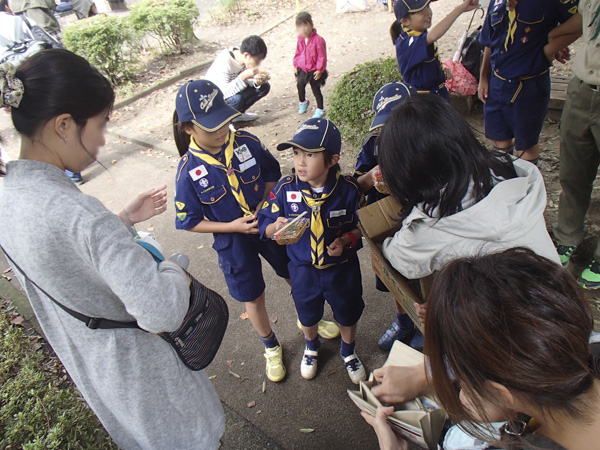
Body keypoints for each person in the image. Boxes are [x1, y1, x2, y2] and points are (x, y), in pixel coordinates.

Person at [0, 49, 224, 449]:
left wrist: (121, 221)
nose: (103, 141)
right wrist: (172, 267)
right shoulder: (82, 215)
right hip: (155, 387)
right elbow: (161, 311)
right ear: (64, 125)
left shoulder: (8, 199)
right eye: (101, 125)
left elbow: (62, 263)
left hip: (103, 381)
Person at [363, 248, 600, 450]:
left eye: (463, 382)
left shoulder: (468, 442)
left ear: (502, 394)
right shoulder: (583, 344)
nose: (460, 391)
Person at [377, 94, 560, 325]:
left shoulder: (428, 230)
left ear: (409, 172)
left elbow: (397, 258)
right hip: (561, 304)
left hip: (510, 338)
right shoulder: (513, 173)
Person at [258, 118, 367, 384]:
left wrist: (346, 240)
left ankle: (348, 351)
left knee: (348, 310)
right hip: (303, 270)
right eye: (296, 153)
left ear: (332, 160)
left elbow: (362, 227)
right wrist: (275, 227)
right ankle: (311, 346)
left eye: (310, 154)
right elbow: (264, 222)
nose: (300, 162)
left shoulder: (348, 191)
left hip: (342, 269)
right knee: (306, 312)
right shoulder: (285, 189)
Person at [353, 82, 421, 351]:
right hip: (386, 220)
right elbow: (358, 182)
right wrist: (371, 178)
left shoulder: (425, 140)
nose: (389, 132)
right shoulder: (373, 142)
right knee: (393, 275)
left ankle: (427, 329)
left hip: (418, 218)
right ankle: (404, 321)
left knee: (422, 276)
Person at [478, 0, 579, 164]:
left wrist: (551, 44)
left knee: (526, 145)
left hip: (528, 85)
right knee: (499, 140)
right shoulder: (497, 2)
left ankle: (527, 184)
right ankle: (506, 182)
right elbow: (490, 40)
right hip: (497, 83)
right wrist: (483, 76)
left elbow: (580, 21)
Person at [551, 6, 600, 288]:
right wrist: (556, 38)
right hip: (582, 88)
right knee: (573, 171)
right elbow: (586, 16)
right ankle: (568, 236)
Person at [393, 0, 480, 101]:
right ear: (405, 21)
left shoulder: (420, 32)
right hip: (424, 101)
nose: (428, 13)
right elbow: (433, 36)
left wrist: (441, 73)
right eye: (420, 11)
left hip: (438, 94)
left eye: (428, 7)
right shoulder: (406, 42)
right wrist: (460, 9)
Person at [204, 35, 270, 123]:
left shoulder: (243, 60)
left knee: (264, 87)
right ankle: (224, 121)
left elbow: (246, 82)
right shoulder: (224, 62)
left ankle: (237, 114)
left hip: (231, 93)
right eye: (257, 62)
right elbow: (221, 94)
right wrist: (242, 77)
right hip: (213, 102)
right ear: (246, 55)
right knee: (236, 99)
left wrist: (256, 82)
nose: (258, 65)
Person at [293, 11, 328, 119]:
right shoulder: (300, 39)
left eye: (305, 25)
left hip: (314, 69)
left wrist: (320, 70)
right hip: (303, 67)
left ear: (311, 25)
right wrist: (295, 65)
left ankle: (320, 108)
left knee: (315, 89)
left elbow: (322, 56)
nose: (303, 29)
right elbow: (298, 52)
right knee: (300, 85)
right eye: (300, 26)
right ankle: (303, 101)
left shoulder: (319, 40)